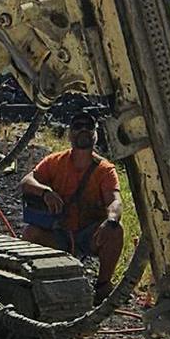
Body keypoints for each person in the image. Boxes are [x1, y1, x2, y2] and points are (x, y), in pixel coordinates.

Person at [20, 109, 124, 299]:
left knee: (115, 231)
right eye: (78, 126)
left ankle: (102, 286)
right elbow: (27, 181)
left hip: (89, 234)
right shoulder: (55, 161)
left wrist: (111, 220)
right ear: (70, 134)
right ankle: (32, 282)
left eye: (88, 126)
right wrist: (45, 192)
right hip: (58, 233)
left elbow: (115, 200)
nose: (83, 130)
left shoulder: (105, 170)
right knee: (30, 233)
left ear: (95, 133)